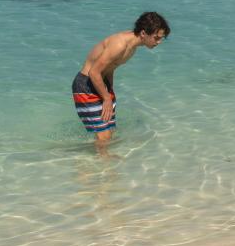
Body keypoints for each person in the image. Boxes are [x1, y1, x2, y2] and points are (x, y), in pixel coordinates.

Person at [72, 11, 170, 146]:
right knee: (103, 136)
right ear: (143, 33)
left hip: (101, 84)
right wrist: (106, 98)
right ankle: (104, 163)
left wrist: (109, 91)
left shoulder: (132, 47)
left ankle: (102, 161)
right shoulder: (120, 45)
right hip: (86, 85)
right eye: (156, 37)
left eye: (161, 38)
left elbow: (110, 67)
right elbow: (94, 72)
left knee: (110, 132)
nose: (158, 42)